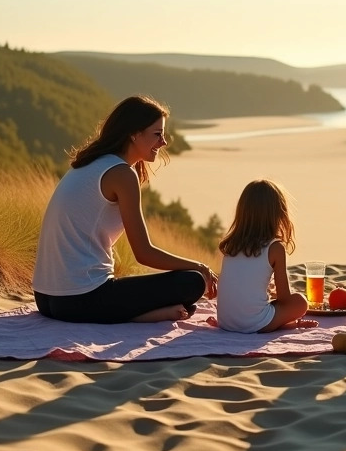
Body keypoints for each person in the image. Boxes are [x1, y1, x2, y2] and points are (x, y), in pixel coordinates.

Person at [32, 95, 218, 324]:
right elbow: (144, 253)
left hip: (45, 298)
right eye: (157, 134)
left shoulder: (90, 163)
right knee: (193, 281)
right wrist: (200, 266)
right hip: (80, 299)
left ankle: (149, 313)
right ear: (133, 134)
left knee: (170, 285)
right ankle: (146, 316)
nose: (164, 143)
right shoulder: (121, 174)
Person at [215, 180, 317, 333]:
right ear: (278, 214)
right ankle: (271, 324)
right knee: (300, 302)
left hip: (226, 322)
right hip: (253, 323)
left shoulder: (232, 245)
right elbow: (284, 299)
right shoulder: (275, 248)